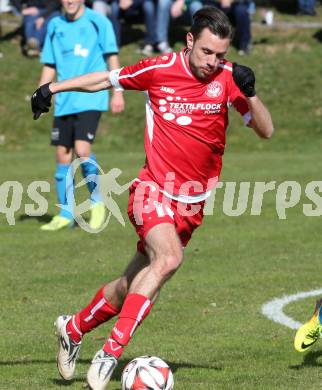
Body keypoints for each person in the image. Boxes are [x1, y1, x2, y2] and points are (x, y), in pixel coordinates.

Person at [31, 6, 274, 389]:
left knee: (135, 282)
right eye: (207, 52)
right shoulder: (160, 69)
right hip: (152, 189)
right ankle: (112, 351)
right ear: (190, 41)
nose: (213, 62)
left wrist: (251, 93)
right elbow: (104, 80)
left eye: (221, 55)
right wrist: (53, 88)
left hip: (192, 205)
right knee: (169, 258)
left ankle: (74, 328)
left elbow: (266, 130)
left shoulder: (229, 79)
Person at [38, 0, 124, 231]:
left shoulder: (99, 21)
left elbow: (112, 58)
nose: (69, 1)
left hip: (90, 98)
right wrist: (40, 93)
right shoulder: (55, 24)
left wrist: (118, 93)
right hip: (64, 101)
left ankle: (97, 202)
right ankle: (66, 213)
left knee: (83, 151)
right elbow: (49, 64)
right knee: (62, 156)